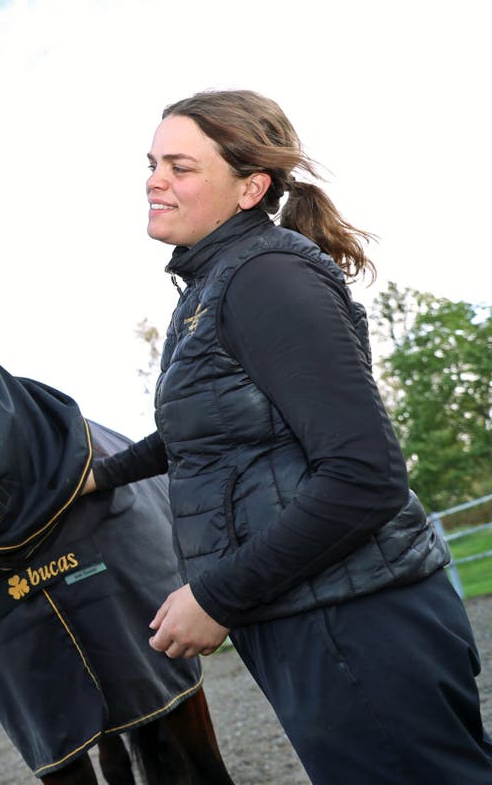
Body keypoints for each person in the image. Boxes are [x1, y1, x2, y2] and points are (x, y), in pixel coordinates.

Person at [83, 89, 492, 783]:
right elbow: (203, 429)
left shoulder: (265, 278)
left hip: (353, 618)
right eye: (152, 163)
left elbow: (365, 477)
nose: (154, 180)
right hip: (312, 613)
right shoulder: (213, 285)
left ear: (250, 188)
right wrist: (97, 473)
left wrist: (217, 596)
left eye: (180, 167)